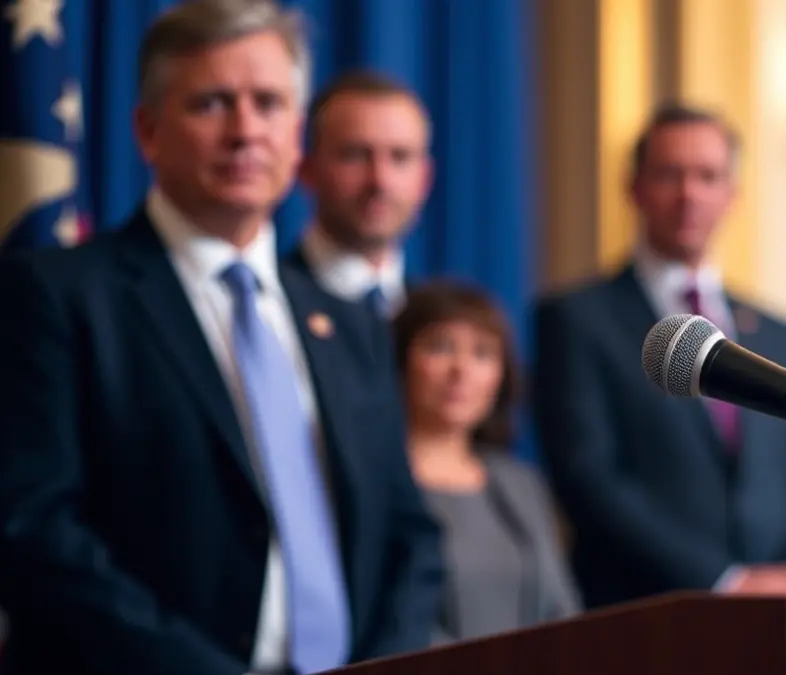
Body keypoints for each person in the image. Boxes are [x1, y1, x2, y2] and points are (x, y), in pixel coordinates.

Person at [0, 2, 441, 674]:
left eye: (268, 104)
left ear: (297, 138)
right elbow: (34, 531)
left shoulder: (347, 321)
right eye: (211, 103)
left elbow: (407, 535)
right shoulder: (57, 295)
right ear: (147, 131)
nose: (244, 131)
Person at [533, 103, 786, 609]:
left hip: (779, 613)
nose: (689, 194)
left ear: (732, 194)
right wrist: (723, 580)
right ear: (634, 188)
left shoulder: (777, 334)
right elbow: (588, 477)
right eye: (671, 174)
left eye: (708, 176)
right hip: (643, 615)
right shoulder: (577, 320)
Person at [394, 281, 581, 641]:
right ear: (401, 360)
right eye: (440, 347)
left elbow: (563, 611)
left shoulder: (521, 483)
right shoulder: (376, 484)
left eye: (482, 353)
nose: (461, 370)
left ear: (501, 375)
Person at [293, 70, 433, 319]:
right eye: (355, 155)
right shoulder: (271, 307)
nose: (380, 180)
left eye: (399, 157)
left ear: (424, 178)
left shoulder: (431, 319)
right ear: (308, 170)